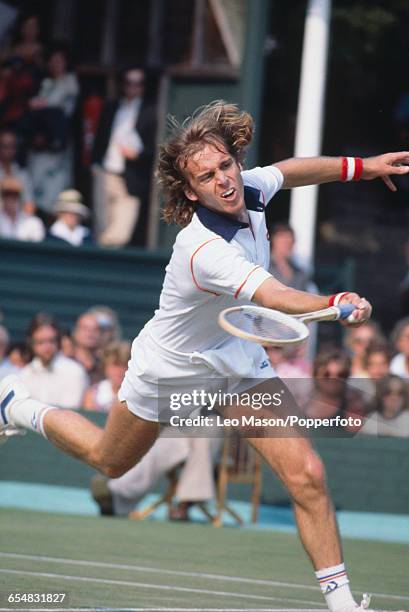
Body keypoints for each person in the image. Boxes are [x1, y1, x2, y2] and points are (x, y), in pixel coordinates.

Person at [2, 100, 409, 612]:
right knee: (111, 460)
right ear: (190, 191)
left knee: (307, 472)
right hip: (170, 368)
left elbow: (293, 170)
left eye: (226, 166)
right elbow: (273, 295)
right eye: (207, 176)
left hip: (235, 359)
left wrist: (363, 167)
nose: (224, 180)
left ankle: (343, 603)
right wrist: (333, 303)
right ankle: (17, 406)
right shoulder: (203, 250)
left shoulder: (250, 186)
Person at [91, 66, 156, 247]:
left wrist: (138, 155)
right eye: (129, 83)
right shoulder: (112, 107)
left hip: (130, 178)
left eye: (138, 83)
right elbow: (100, 137)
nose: (133, 87)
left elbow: (154, 148)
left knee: (121, 232)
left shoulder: (150, 112)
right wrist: (95, 165)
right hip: (105, 173)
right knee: (101, 226)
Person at [19, 313, 88, 410]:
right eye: (41, 342)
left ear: (58, 341)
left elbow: (71, 410)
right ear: (31, 343)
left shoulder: (74, 371)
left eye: (51, 341)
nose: (47, 347)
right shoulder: (24, 374)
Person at [83, 341, 130, 412]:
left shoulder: (138, 396)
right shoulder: (92, 394)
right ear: (105, 367)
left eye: (124, 365)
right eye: (115, 365)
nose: (119, 371)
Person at [0, 176, 44, 241]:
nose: (11, 199)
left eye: (15, 195)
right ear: (2, 196)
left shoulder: (33, 222)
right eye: (7, 194)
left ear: (20, 197)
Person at [0, 128, 34, 211]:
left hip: (18, 220)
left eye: (11, 146)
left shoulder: (23, 174)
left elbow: (29, 205)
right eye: (4, 146)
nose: (8, 150)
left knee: (35, 222)